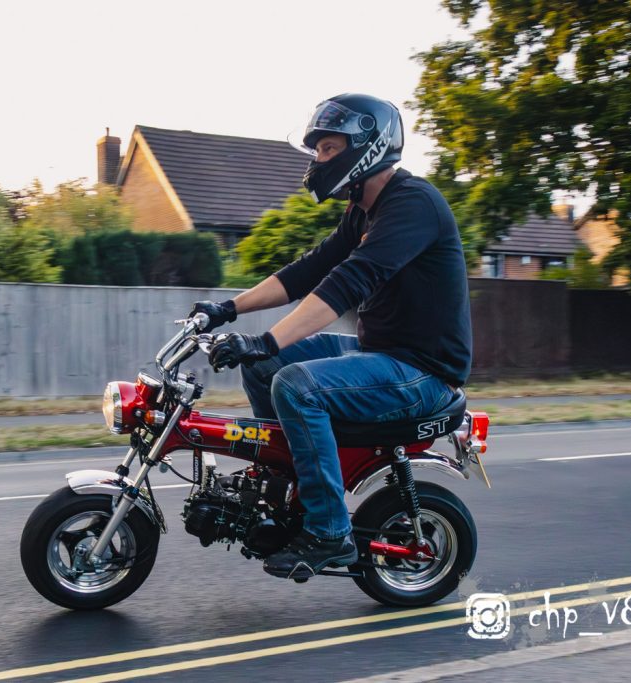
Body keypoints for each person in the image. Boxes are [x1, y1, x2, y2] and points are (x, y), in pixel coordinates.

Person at [191, 93, 472, 581]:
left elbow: (345, 284)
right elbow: (309, 270)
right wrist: (227, 309)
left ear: (367, 146)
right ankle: (288, 487)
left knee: (296, 385)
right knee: (262, 367)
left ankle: (327, 531)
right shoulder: (363, 211)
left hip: (423, 373)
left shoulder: (413, 205)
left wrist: (268, 340)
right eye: (318, 150)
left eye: (327, 148)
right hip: (381, 353)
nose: (318, 161)